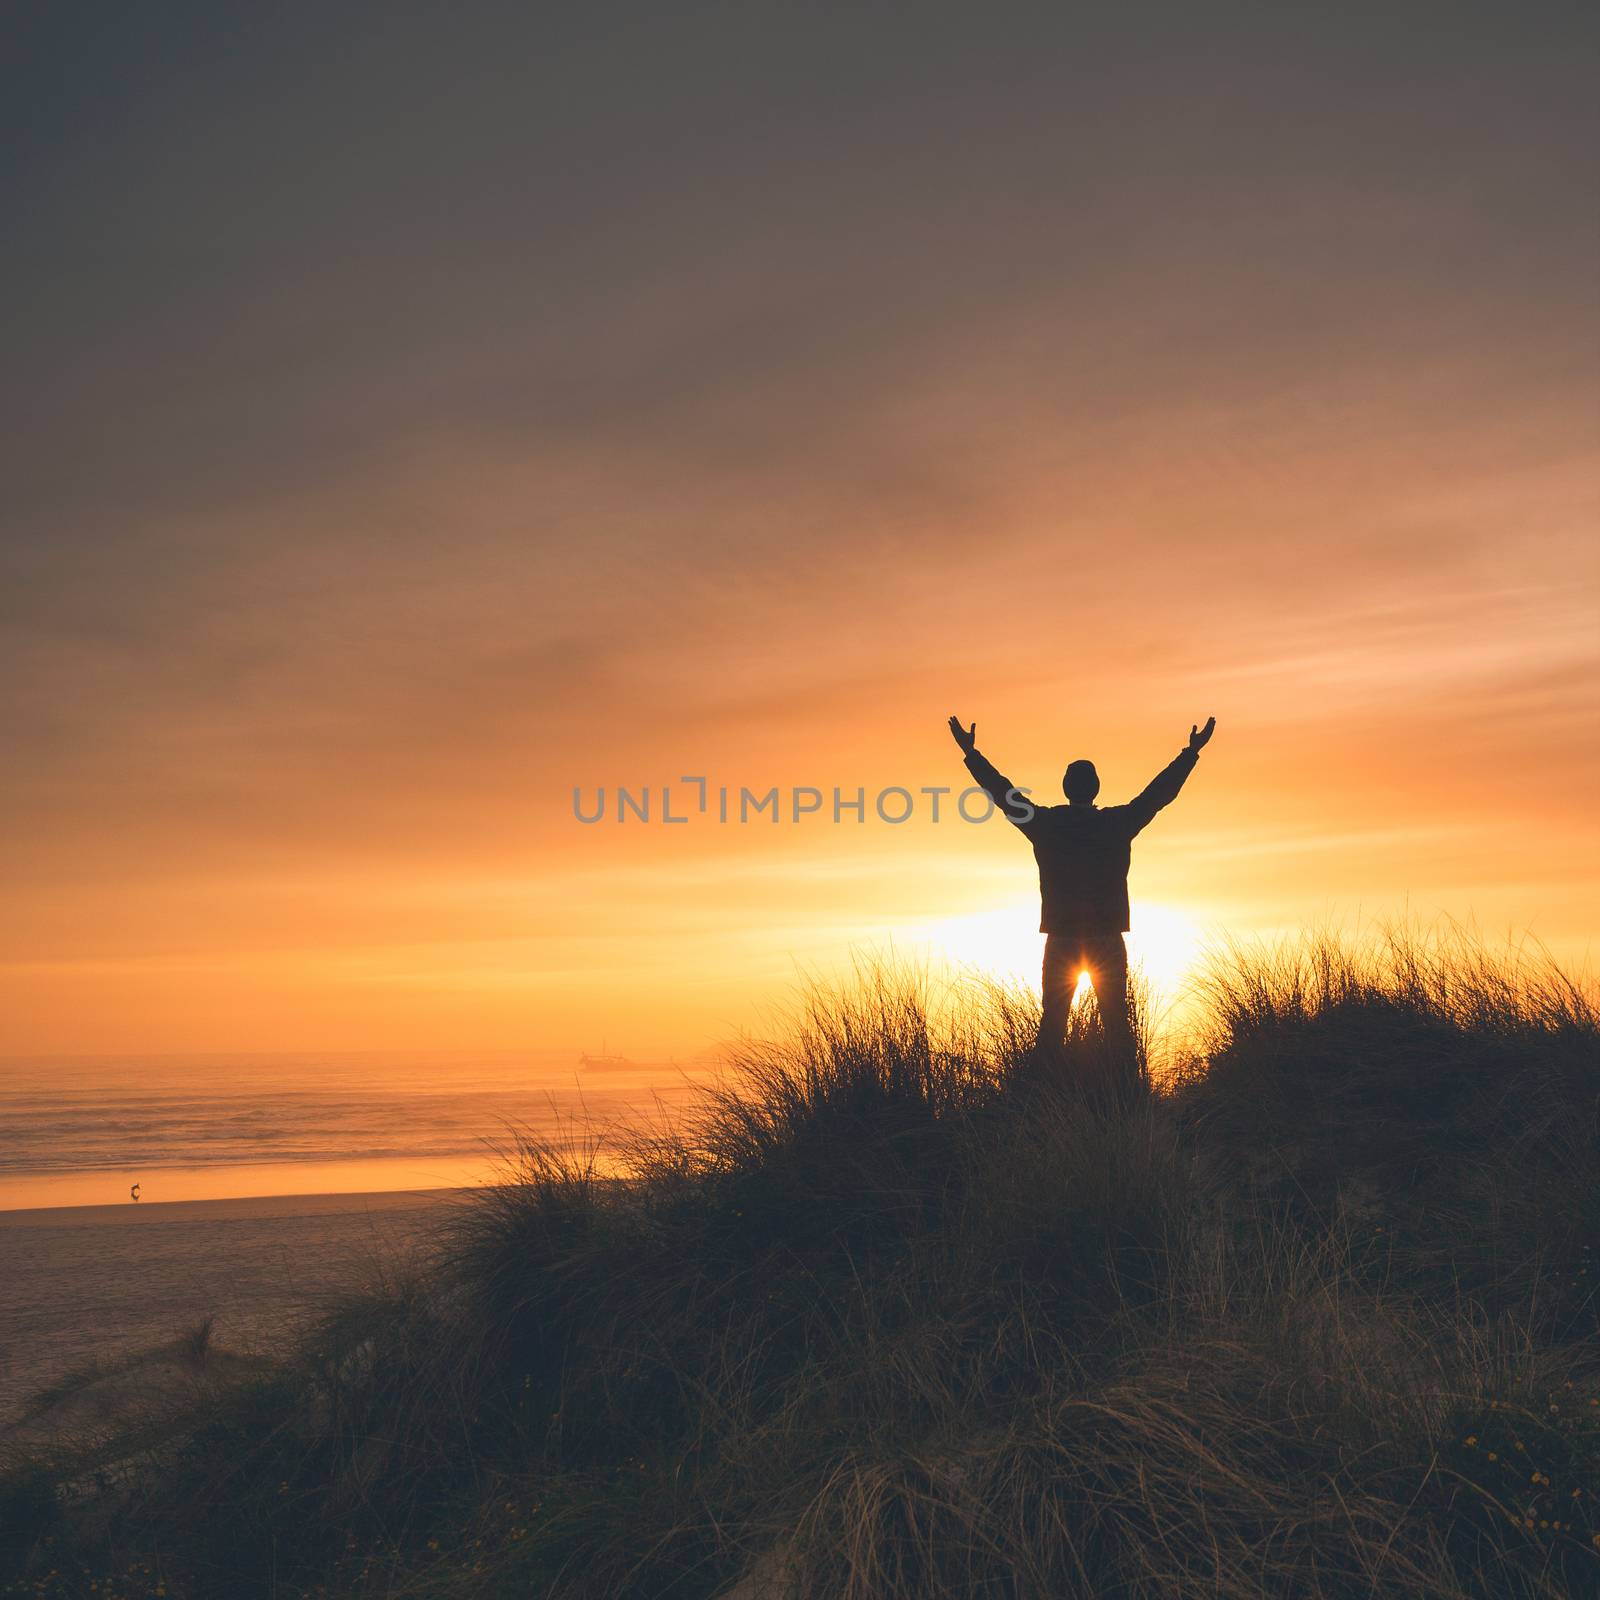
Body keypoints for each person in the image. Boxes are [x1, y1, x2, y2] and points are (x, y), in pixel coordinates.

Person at [948, 713, 1215, 1058]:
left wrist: (971, 753)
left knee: (1052, 1027)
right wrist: (1190, 753)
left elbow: (1002, 792)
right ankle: (1127, 1097)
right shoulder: (1117, 823)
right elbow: (1158, 795)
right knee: (1118, 1027)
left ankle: (1040, 1100)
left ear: (1065, 788)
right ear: (1096, 789)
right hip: (1106, 936)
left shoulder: (1044, 824)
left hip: (1062, 937)